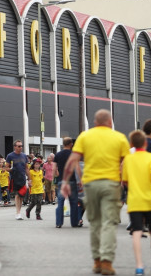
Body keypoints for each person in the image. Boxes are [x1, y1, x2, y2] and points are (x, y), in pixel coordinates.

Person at [60, 109, 129, 276]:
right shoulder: (119, 138)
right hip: (111, 184)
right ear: (110, 122)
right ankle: (106, 261)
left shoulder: (85, 136)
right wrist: (124, 181)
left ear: (95, 122)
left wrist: (65, 181)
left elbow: (73, 160)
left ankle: (97, 261)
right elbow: (126, 163)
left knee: (95, 223)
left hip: (90, 184)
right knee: (108, 223)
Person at [123, 130, 151, 276]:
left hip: (134, 200)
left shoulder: (128, 159)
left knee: (136, 231)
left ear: (132, 144)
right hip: (150, 200)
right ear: (146, 143)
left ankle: (139, 266)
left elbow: (125, 182)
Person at [54, 137, 80, 228]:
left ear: (63, 144)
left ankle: (59, 223)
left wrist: (57, 176)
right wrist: (80, 180)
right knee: (73, 202)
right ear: (71, 144)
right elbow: (77, 168)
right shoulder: (73, 154)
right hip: (72, 180)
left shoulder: (58, 154)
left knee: (60, 202)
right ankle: (74, 222)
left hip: (62, 180)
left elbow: (54, 169)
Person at [6, 140, 29, 220]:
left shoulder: (24, 156)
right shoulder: (10, 156)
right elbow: (6, 168)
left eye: (21, 146)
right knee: (17, 195)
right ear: (15, 147)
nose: (20, 147)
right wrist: (12, 169)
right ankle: (18, 213)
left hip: (22, 178)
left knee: (21, 195)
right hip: (14, 178)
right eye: (19, 146)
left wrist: (29, 178)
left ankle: (19, 211)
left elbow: (26, 168)